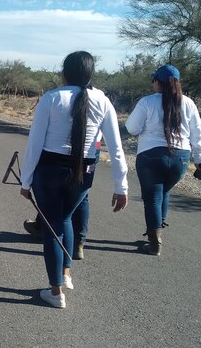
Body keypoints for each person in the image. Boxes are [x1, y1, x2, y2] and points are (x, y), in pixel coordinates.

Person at [19, 51, 128, 308]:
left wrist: (25, 181)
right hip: (84, 171)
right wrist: (120, 186)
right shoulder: (102, 100)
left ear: (64, 72)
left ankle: (56, 292)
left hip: (49, 169)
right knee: (65, 218)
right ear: (90, 74)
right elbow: (116, 147)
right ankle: (65, 275)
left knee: (53, 226)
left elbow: (35, 143)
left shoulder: (52, 98)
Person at [125, 64, 201, 256]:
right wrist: (200, 158)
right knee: (164, 191)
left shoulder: (147, 102)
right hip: (181, 158)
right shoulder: (188, 103)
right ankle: (157, 232)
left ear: (157, 82)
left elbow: (132, 128)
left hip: (151, 155)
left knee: (152, 197)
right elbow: (197, 133)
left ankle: (154, 242)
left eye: (153, 80)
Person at [71, 139, 101, 260]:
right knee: (83, 195)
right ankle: (79, 242)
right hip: (94, 149)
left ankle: (46, 228)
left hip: (69, 148)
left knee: (59, 190)